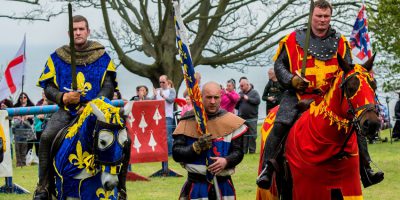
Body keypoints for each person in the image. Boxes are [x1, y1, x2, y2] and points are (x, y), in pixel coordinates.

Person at [257, 0, 383, 189]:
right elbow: (279, 65)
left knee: (355, 121)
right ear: (311, 17)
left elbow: (347, 71)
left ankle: (365, 168)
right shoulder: (292, 39)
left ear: (330, 17)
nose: (322, 20)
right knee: (281, 122)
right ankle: (268, 168)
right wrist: (292, 80)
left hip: (329, 97)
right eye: (319, 16)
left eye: (326, 16)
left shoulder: (341, 42)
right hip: (299, 95)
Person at [33, 15, 130, 200]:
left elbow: (108, 87)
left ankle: (122, 188)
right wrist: (63, 97)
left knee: (126, 137)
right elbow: (48, 87)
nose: (78, 32)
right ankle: (43, 186)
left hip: (97, 112)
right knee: (46, 137)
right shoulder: (57, 57)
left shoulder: (102, 57)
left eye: (81, 29)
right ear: (70, 33)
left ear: (88, 31)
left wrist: (91, 107)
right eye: (74, 30)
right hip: (67, 111)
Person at [172, 81, 248, 199]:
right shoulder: (187, 120)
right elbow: (176, 153)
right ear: (201, 97)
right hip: (196, 185)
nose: (212, 101)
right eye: (208, 97)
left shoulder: (232, 122)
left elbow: (238, 152)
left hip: (224, 185)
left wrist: (226, 161)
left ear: (221, 98)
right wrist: (195, 147)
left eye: (216, 97)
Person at [153, 75, 176, 155]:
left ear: (167, 81)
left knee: (168, 136)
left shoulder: (171, 90)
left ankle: (170, 153)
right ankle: (160, 152)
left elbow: (171, 100)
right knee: (158, 136)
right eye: (160, 82)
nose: (162, 84)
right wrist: (155, 95)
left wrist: (163, 96)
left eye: (163, 82)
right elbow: (152, 102)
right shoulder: (157, 91)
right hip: (158, 117)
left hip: (168, 116)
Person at [236, 78, 260, 154]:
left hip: (252, 118)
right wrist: (238, 100)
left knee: (252, 135)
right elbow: (236, 106)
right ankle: (244, 151)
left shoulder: (254, 92)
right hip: (242, 118)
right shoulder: (240, 93)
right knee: (243, 136)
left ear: (247, 85)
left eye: (242, 86)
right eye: (240, 86)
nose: (241, 87)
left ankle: (252, 151)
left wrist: (248, 98)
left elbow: (257, 101)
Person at [13, 92, 35, 167]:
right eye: (21, 97)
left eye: (25, 97)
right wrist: (18, 117)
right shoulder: (15, 106)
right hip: (18, 127)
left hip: (27, 127)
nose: (23, 99)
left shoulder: (31, 105)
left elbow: (34, 115)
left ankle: (23, 161)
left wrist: (27, 116)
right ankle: (19, 162)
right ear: (19, 99)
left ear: (27, 98)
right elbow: (12, 116)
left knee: (24, 145)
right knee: (17, 145)